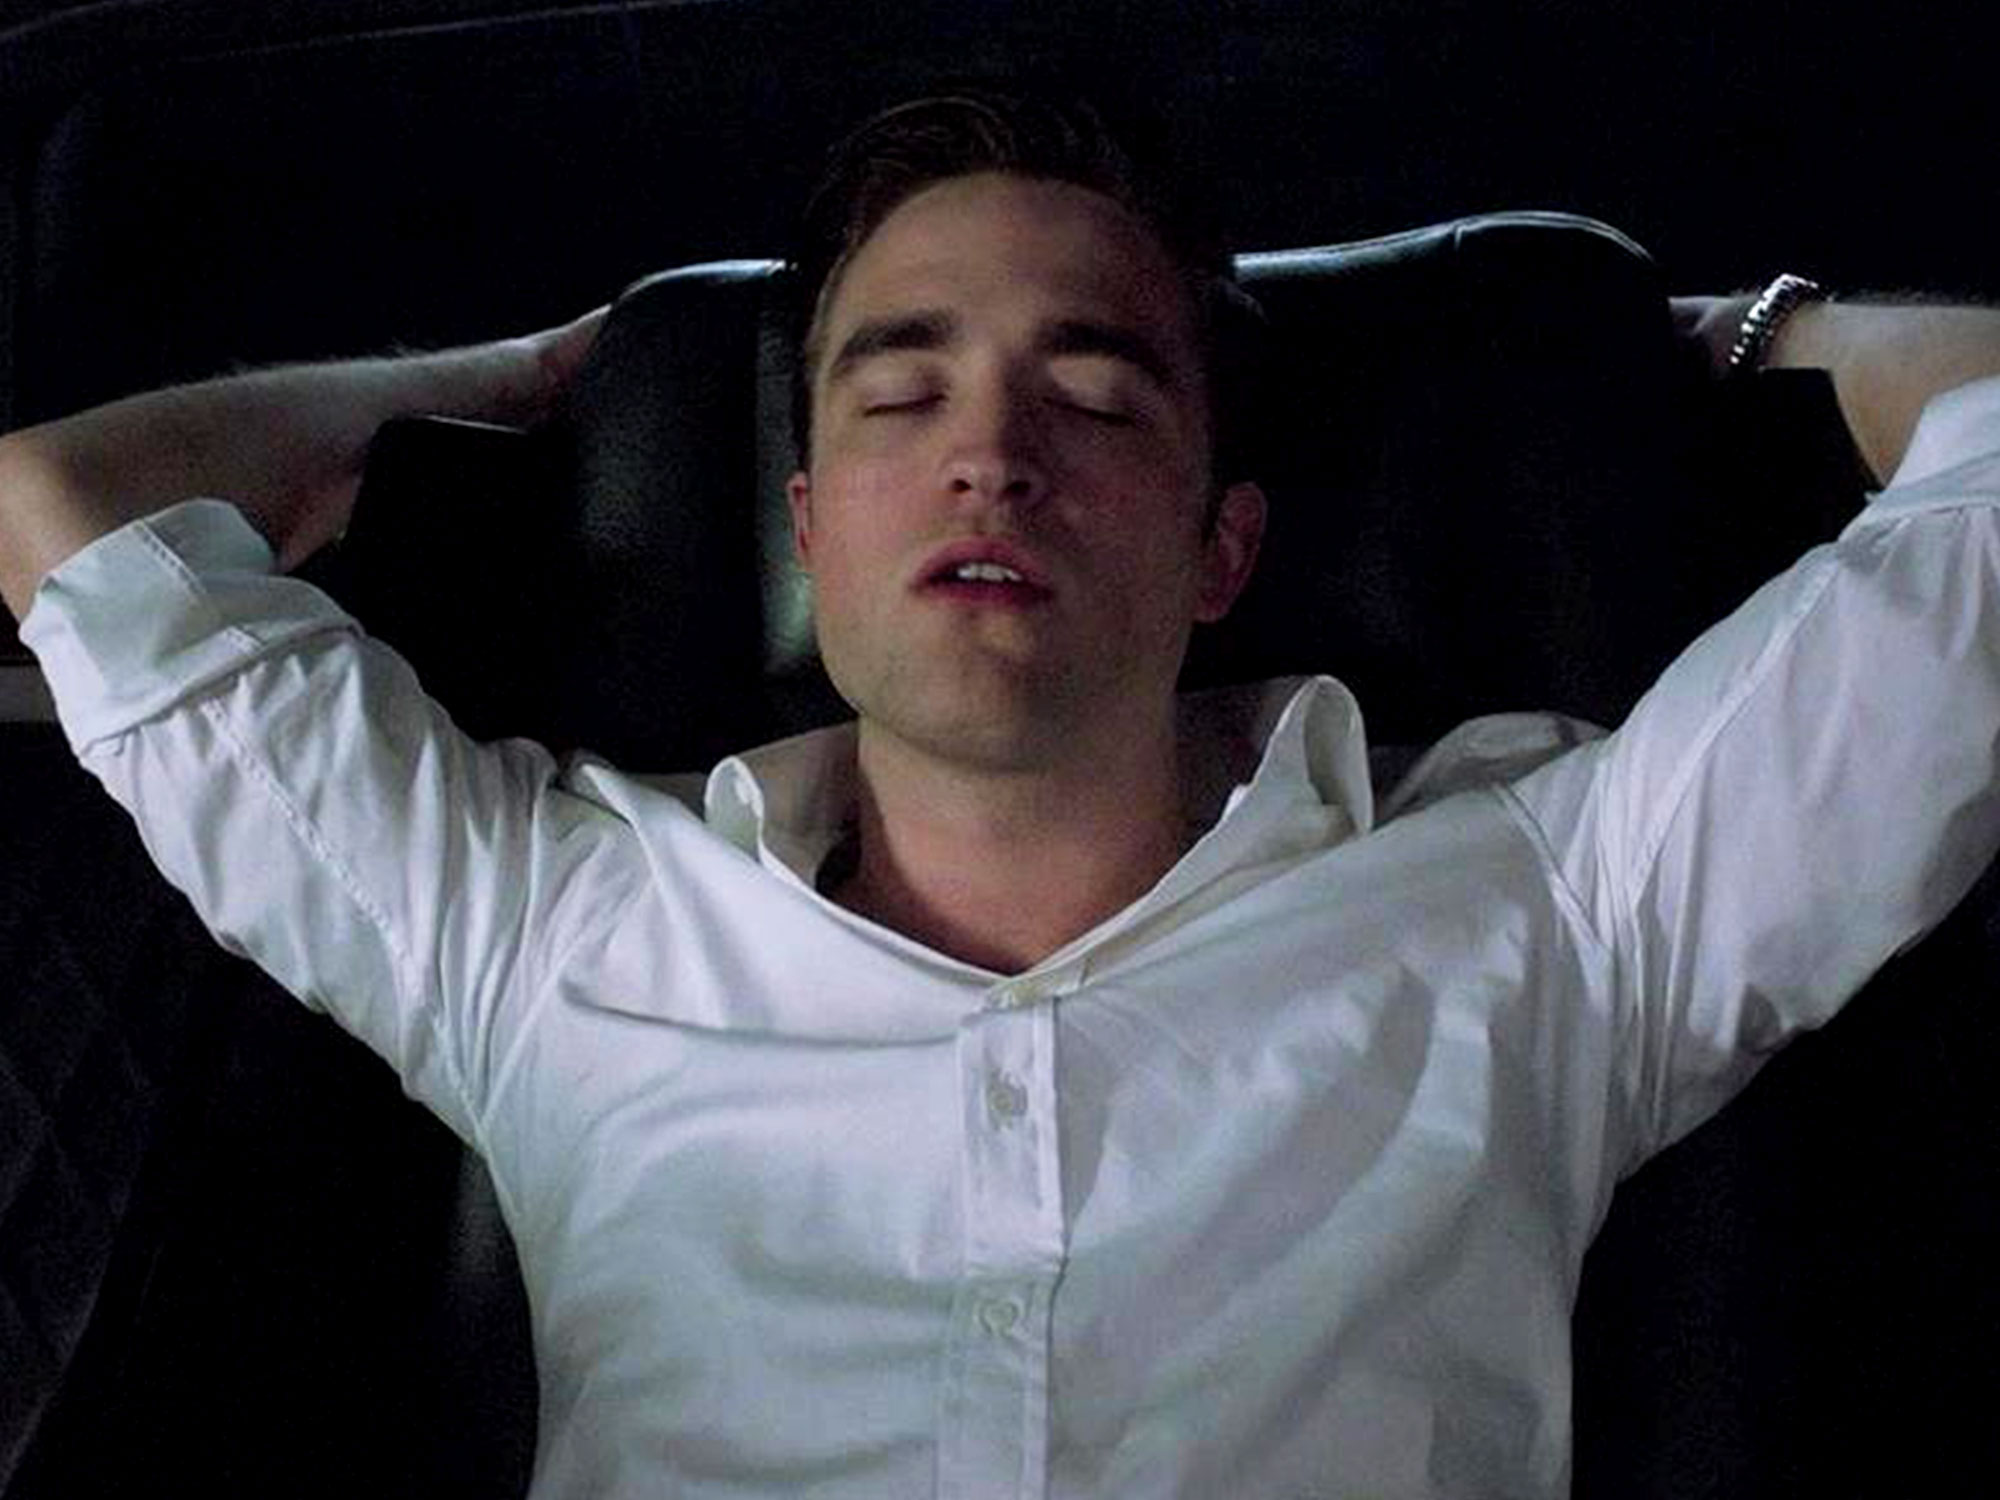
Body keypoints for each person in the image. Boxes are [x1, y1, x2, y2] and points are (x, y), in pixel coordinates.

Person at [3, 90, 2000, 1499]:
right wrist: (523, 379)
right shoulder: (542, 934)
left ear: (1221, 549)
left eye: (1096, 389)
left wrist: (1744, 339)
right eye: (901, 387)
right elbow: (56, 505)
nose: (994, 455)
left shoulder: (1552, 906)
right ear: (807, 526)